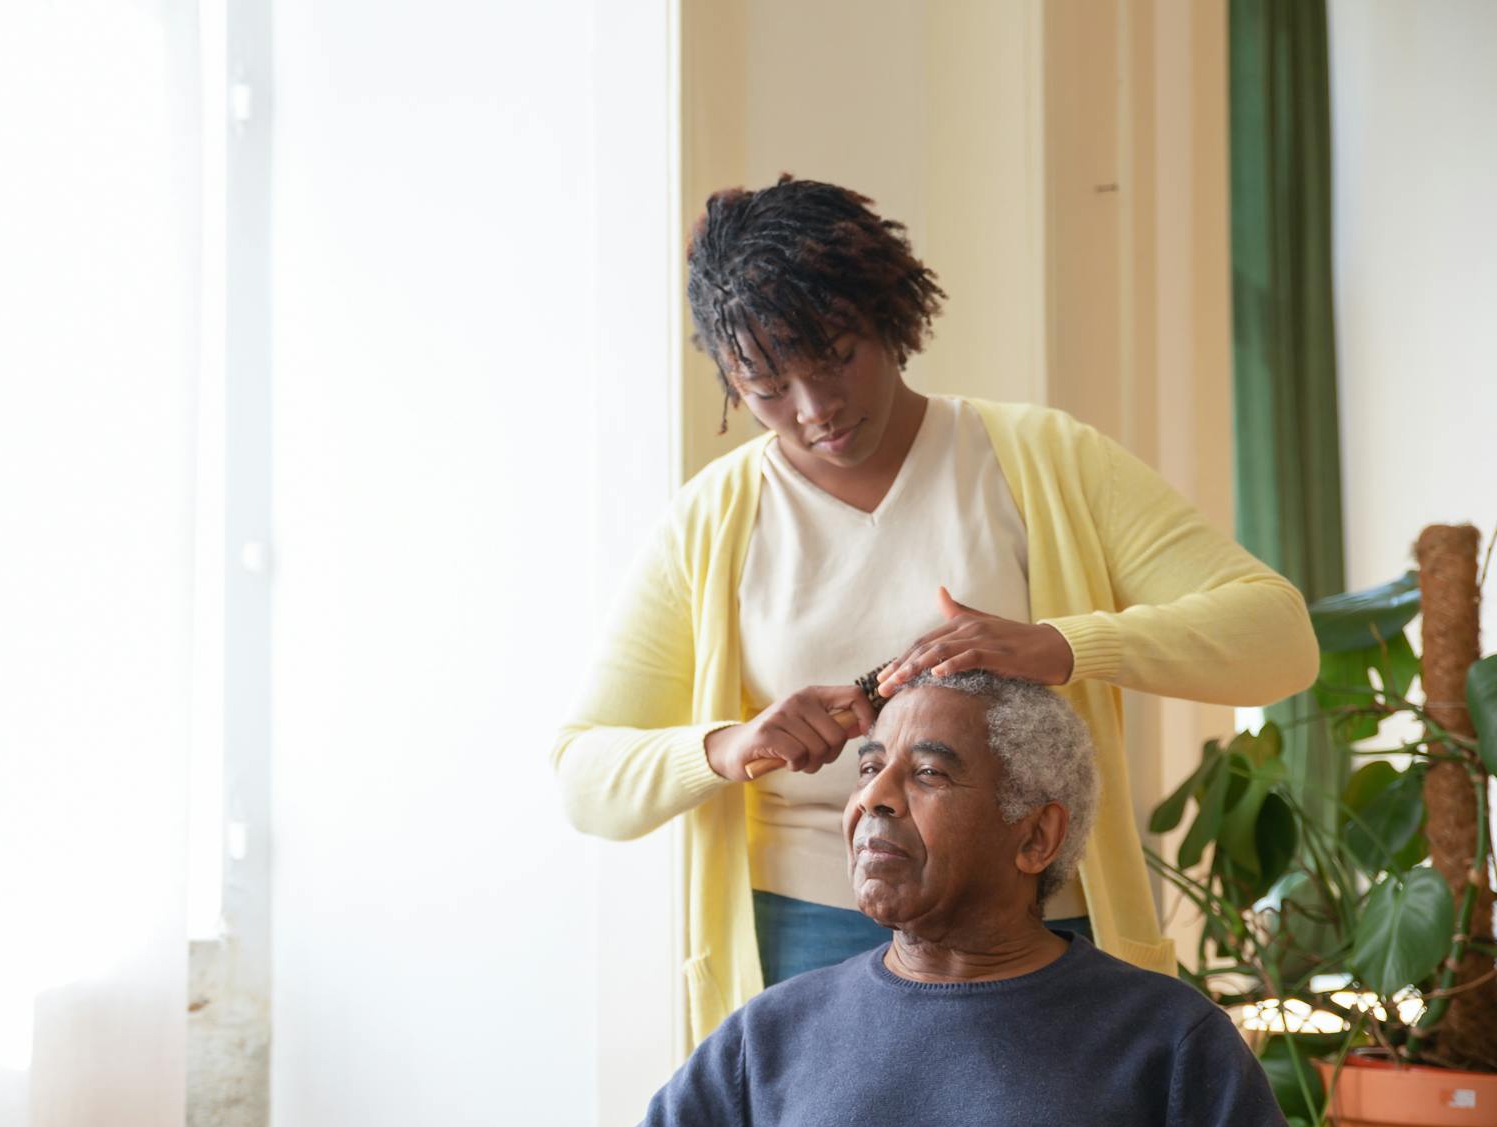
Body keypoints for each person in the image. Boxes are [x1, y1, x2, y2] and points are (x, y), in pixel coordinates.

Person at [554, 177, 1318, 1040]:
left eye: (836, 355)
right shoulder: (712, 520)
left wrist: (1058, 646)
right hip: (807, 935)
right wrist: (730, 745)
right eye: (767, 387)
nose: (814, 410)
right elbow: (585, 775)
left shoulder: (1039, 459)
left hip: (1035, 926)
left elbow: (1278, 637)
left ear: (891, 315)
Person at [475, 674, 1388, 1127]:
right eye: (870, 767)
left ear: (1034, 836)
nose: (871, 799)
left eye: (927, 773)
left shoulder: (1162, 1035)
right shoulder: (775, 1034)